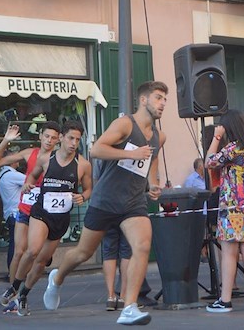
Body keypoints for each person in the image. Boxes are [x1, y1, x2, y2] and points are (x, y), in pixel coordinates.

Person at [43, 81, 167, 326]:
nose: (162, 103)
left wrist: (152, 184)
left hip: (133, 203)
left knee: (142, 246)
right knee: (83, 253)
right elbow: (97, 150)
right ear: (143, 100)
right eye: (158, 97)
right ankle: (57, 278)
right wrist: (130, 153)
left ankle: (129, 306)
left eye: (165, 99)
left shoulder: (159, 136)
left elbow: (151, 161)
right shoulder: (124, 124)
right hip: (106, 199)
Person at [0, 120, 92, 317]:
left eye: (77, 139)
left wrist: (83, 196)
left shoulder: (83, 165)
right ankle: (13, 288)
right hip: (41, 212)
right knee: (32, 251)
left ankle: (23, 294)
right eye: (71, 138)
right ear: (62, 139)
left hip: (61, 218)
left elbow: (89, 188)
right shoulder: (46, 159)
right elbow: (32, 177)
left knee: (41, 262)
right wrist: (27, 185)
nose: (74, 143)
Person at [205, 109, 244, 313]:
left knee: (229, 251)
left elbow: (209, 161)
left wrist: (216, 137)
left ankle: (225, 299)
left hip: (232, 206)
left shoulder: (233, 148)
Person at [0, 122, 60, 285]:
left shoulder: (58, 158)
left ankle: (25, 289)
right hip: (25, 209)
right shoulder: (29, 153)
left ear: (58, 141)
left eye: (53, 138)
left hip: (46, 212)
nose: (49, 141)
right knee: (18, 252)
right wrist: (5, 140)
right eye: (46, 136)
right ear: (40, 136)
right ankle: (12, 294)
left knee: (39, 256)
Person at [0, 160, 25, 279]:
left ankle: (13, 272)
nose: (18, 161)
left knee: (15, 244)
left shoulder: (2, 174)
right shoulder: (12, 175)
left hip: (9, 213)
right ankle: (14, 273)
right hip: (16, 213)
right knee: (16, 245)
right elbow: (31, 181)